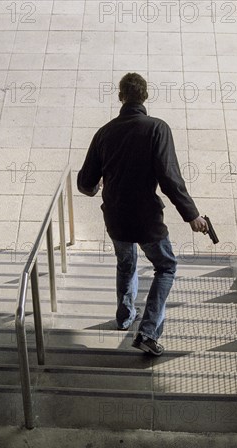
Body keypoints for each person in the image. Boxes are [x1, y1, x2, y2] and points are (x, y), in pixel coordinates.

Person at [77, 72, 208, 356]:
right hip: (147, 219)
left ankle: (125, 317)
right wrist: (192, 215)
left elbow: (85, 182)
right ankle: (148, 332)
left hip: (115, 217)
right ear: (145, 96)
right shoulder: (157, 129)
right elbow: (170, 178)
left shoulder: (104, 133)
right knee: (166, 267)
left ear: (121, 96)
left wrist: (95, 185)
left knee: (126, 264)